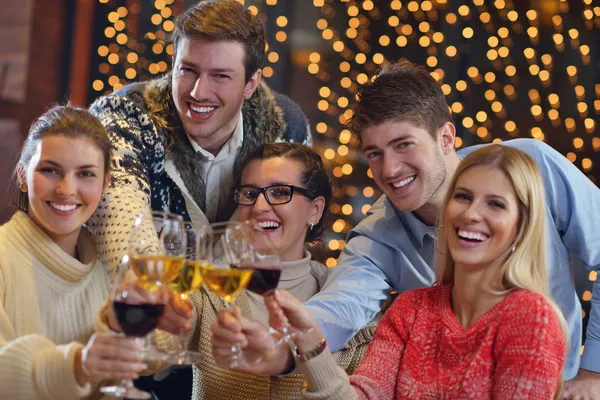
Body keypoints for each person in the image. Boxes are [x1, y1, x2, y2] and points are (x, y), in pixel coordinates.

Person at [214, 60, 600, 398]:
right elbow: (339, 308)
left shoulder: (528, 167)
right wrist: (282, 347)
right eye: (376, 154)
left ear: (446, 137)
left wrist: (594, 370)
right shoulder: (380, 244)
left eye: (404, 145)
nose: (390, 170)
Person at [257, 145, 567, 398]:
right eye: (462, 197)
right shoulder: (411, 309)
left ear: (521, 227)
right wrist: (311, 342)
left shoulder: (531, 317)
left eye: (495, 204)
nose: (471, 214)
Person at [87, 0, 311, 269]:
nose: (198, 92)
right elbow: (119, 227)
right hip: (141, 300)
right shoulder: (124, 116)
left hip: (246, 304)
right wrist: (157, 297)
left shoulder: (286, 127)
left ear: (250, 84)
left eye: (220, 76)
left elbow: (288, 244)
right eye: (188, 70)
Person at [154, 142, 376, 399]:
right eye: (250, 193)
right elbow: (157, 345)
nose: (258, 207)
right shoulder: (210, 288)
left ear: (315, 210)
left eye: (281, 192)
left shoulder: (353, 305)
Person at [0, 106, 149, 399]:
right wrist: (77, 366)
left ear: (106, 183)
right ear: (23, 176)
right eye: (50, 170)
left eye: (85, 174)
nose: (67, 189)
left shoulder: (110, 271)